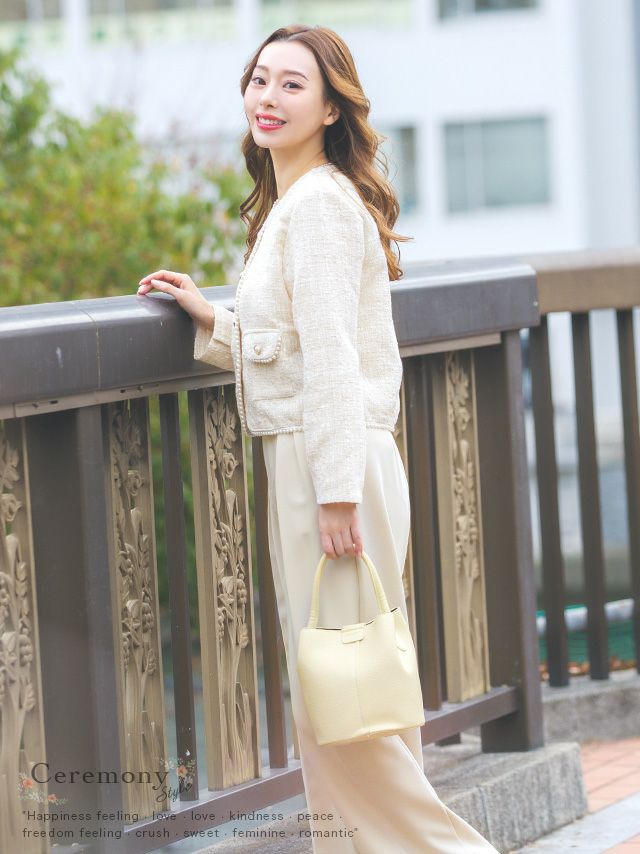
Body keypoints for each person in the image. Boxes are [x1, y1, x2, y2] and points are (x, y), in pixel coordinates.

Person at [137, 23, 499, 854]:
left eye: (292, 84)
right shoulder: (301, 204)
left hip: (327, 465)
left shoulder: (321, 208)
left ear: (333, 108)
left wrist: (335, 494)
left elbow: (334, 358)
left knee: (341, 696)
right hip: (325, 457)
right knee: (352, 688)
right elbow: (299, 349)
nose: (267, 97)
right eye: (259, 79)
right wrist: (214, 320)